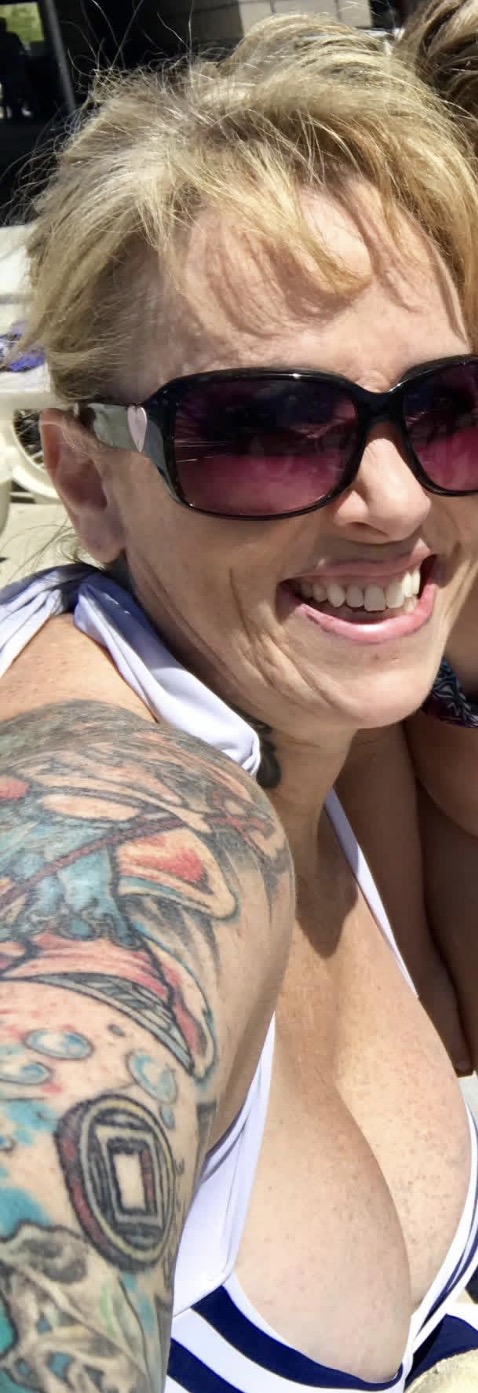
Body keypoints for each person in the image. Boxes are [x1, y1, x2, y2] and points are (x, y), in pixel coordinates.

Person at [2, 14, 478, 1389]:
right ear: (87, 482)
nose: (391, 498)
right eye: (265, 429)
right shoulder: (107, 818)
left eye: (448, 410)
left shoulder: (320, 724)